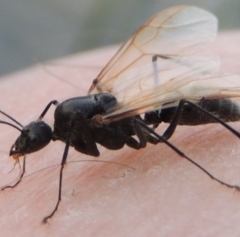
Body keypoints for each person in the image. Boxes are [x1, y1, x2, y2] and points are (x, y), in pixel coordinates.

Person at [0, 32, 240, 236]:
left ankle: (213, 177)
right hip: (142, 110)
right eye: (28, 139)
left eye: (28, 141)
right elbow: (59, 109)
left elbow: (72, 119)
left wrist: (57, 202)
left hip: (175, 106)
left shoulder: (82, 120)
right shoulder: (72, 120)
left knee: (184, 102)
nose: (22, 146)